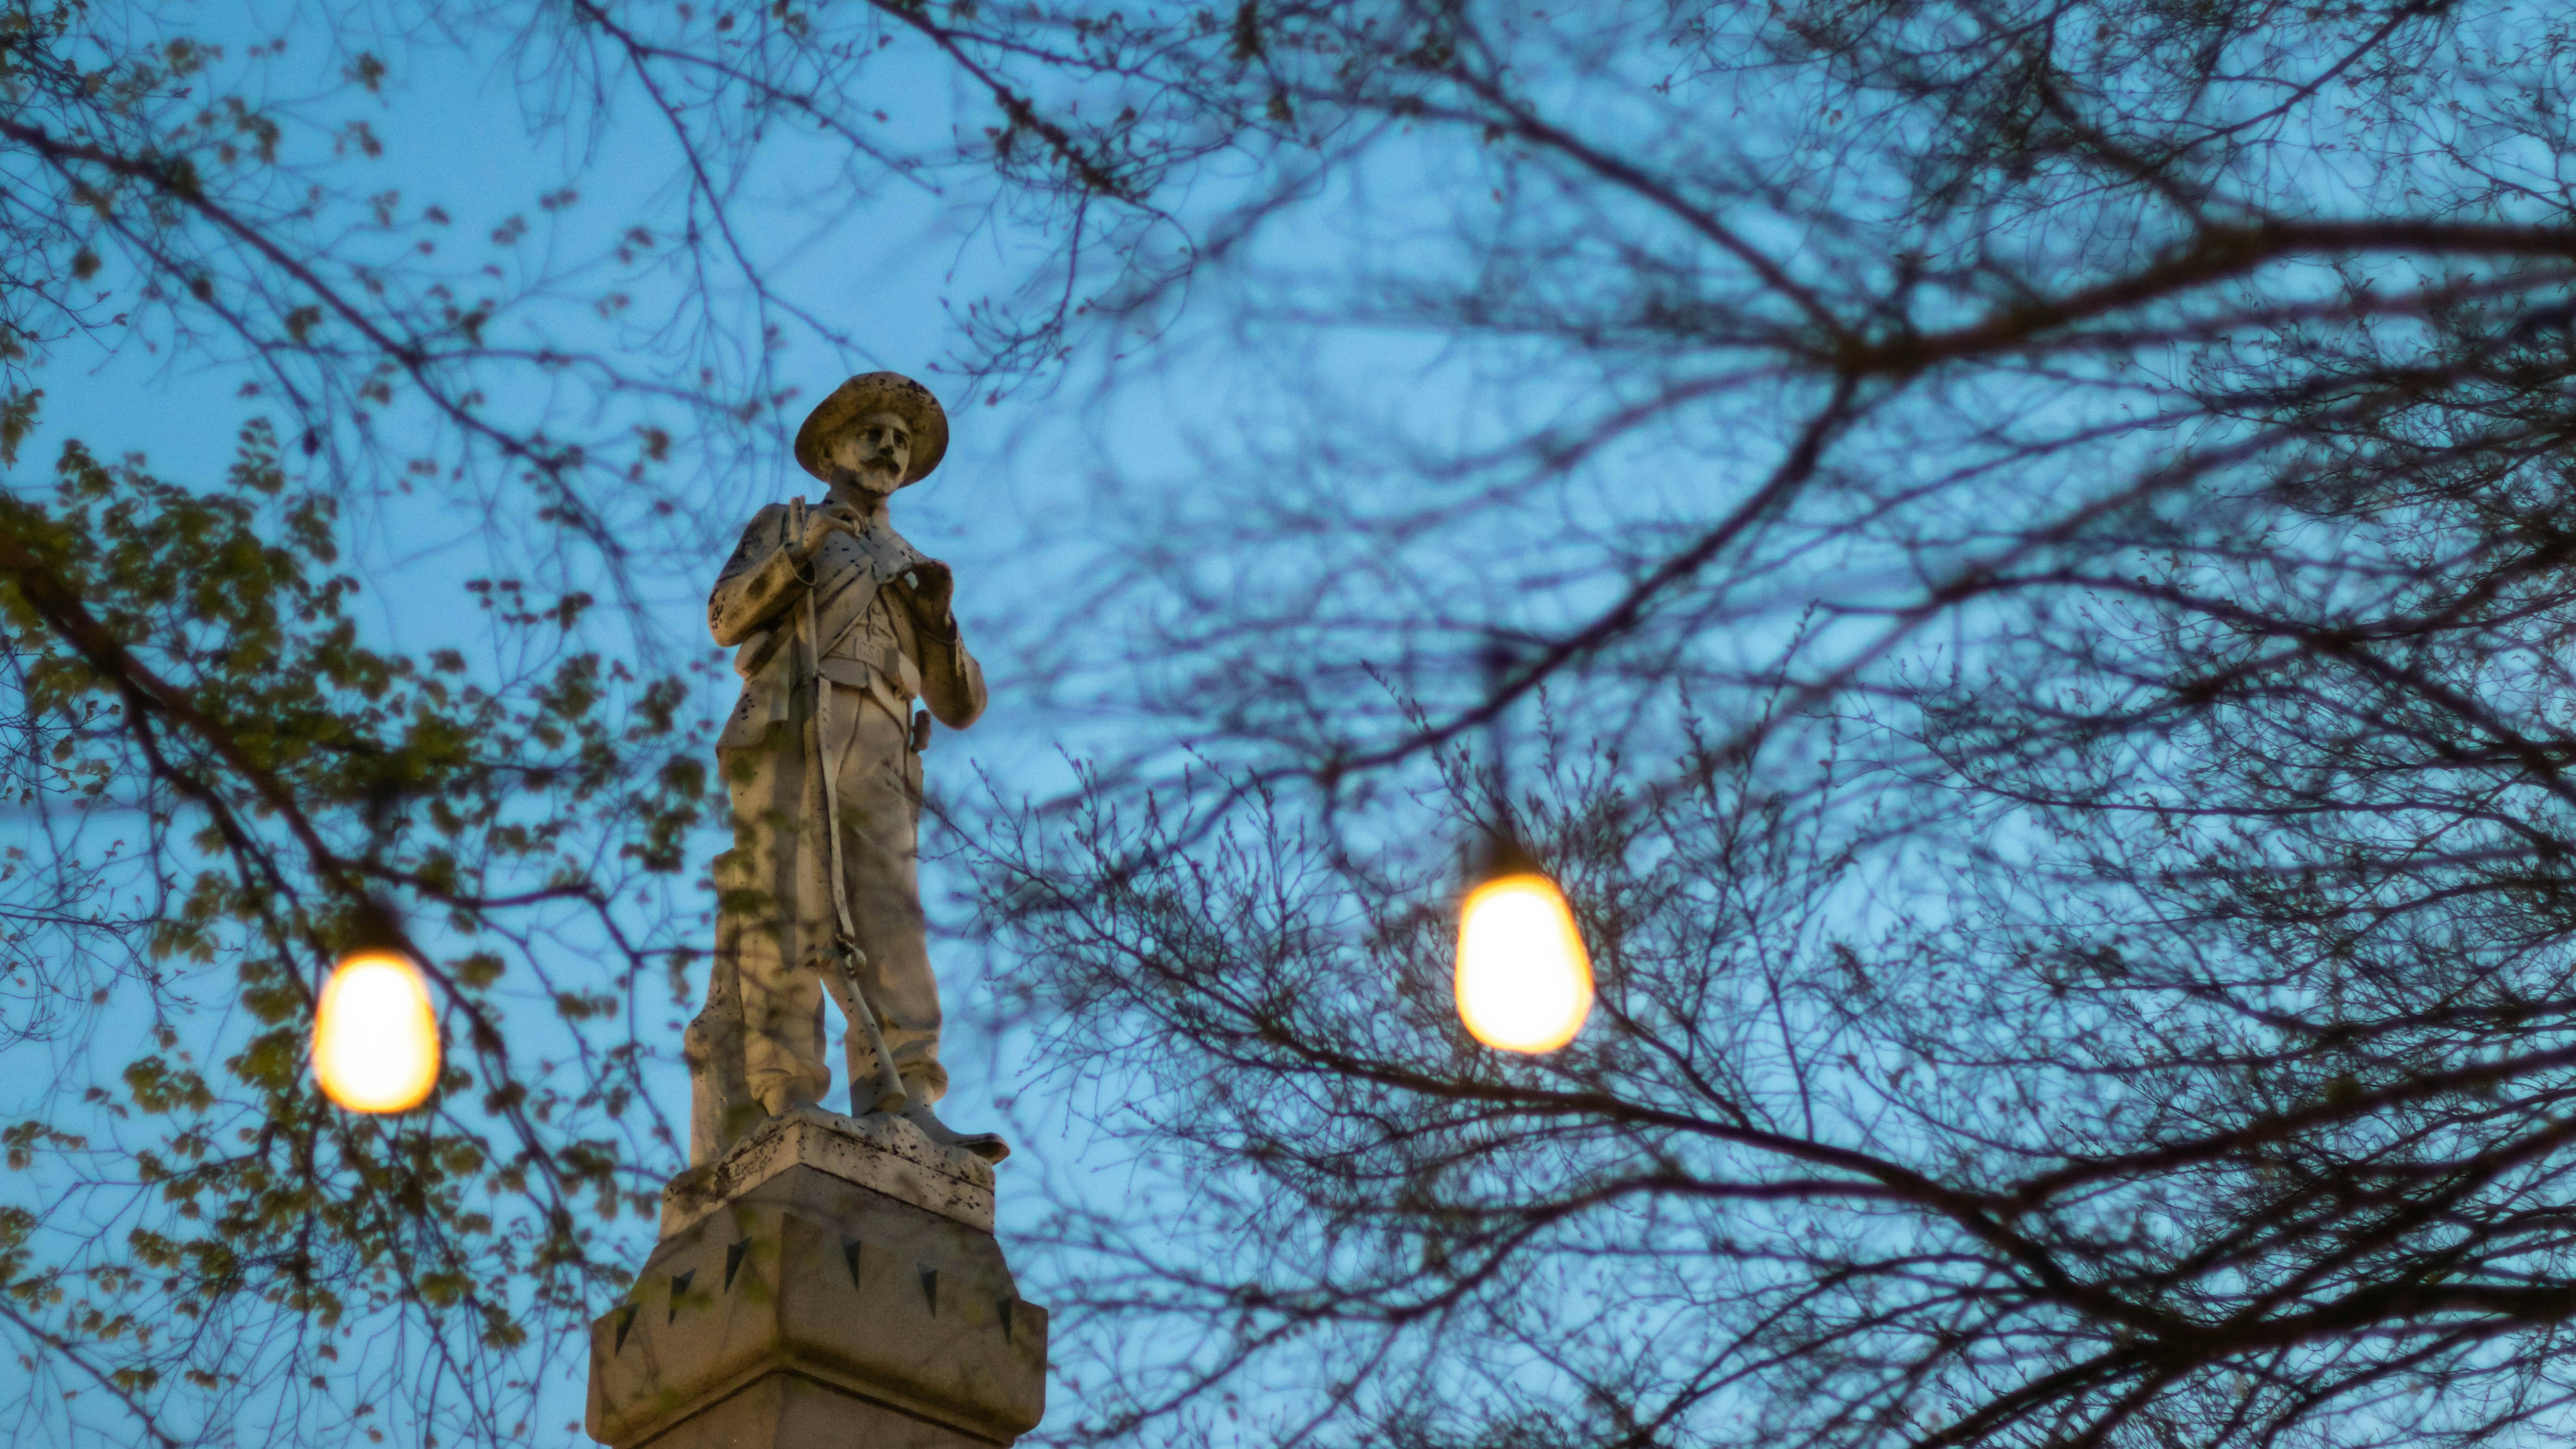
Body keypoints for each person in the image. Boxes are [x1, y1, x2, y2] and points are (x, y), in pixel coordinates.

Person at [684, 371, 1005, 1165]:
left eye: (901, 441)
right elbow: (725, 618)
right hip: (792, 728)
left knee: (890, 917)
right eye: (874, 434)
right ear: (830, 447)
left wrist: (938, 624)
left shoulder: (911, 558)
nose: (890, 449)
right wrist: (799, 553)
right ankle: (785, 1092)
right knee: (785, 908)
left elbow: (961, 703)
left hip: (884, 741)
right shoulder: (786, 521)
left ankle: (907, 1095)